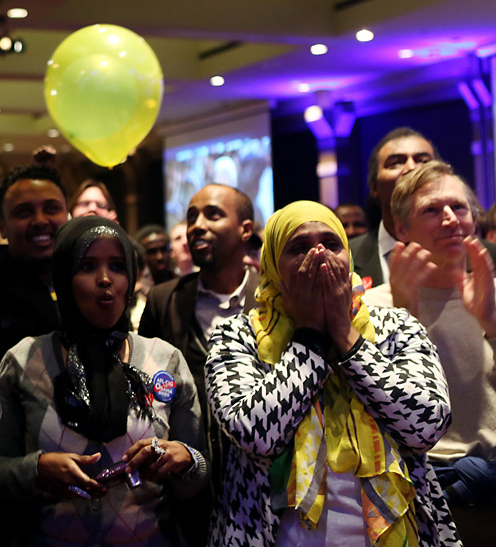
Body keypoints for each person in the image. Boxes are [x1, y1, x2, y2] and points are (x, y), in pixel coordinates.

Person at [205, 200, 458, 546]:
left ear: (349, 257)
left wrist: (344, 333)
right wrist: (309, 335)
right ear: (274, 267)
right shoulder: (237, 335)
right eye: (299, 248)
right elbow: (256, 435)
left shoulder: (395, 325)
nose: (319, 254)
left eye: (331, 243)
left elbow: (427, 424)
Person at [0, 216, 208, 546]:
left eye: (118, 266)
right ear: (63, 278)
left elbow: (197, 477)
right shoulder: (25, 361)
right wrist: (37, 469)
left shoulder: (164, 360)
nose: (105, 280)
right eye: (87, 266)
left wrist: (184, 459)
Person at [363, 161, 496, 509]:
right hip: (420, 490)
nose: (450, 219)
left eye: (459, 207)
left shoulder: (493, 293)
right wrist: (404, 316)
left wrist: (492, 325)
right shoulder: (374, 305)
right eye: (432, 210)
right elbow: (376, 411)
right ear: (403, 229)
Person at [139, 183, 259, 531]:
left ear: (245, 229)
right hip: (187, 488)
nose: (197, 225)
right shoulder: (166, 300)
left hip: (259, 487)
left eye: (213, 214)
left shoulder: (272, 296)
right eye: (192, 216)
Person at [0, 165, 69, 358]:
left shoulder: (88, 279)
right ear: (2, 227)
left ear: (67, 216)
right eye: (24, 212)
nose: (40, 220)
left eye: (51, 209)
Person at [349, 127, 436, 287]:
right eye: (395, 163)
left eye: (423, 161)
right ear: (374, 187)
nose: (411, 168)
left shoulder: (483, 255)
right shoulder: (347, 259)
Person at [136, 225, 175, 296]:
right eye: (152, 251)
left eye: (164, 249)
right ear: (142, 255)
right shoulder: (137, 292)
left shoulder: (181, 285)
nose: (160, 257)